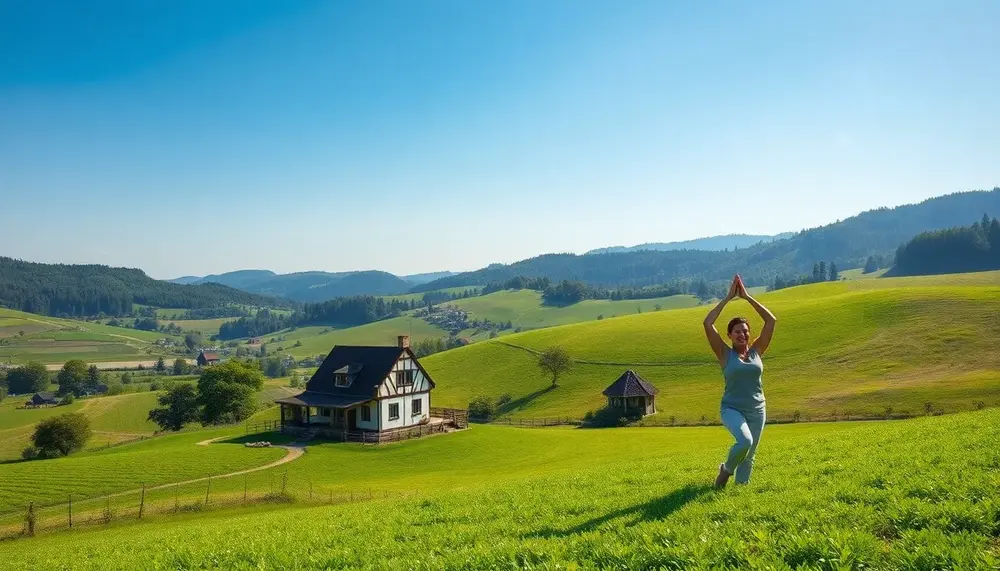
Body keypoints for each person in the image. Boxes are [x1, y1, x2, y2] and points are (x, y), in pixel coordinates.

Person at [702, 274, 777, 488]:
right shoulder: (724, 354)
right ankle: (724, 472)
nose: (742, 334)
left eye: (745, 331)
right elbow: (708, 323)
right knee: (745, 441)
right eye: (737, 332)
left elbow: (771, 321)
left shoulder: (757, 351)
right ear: (729, 335)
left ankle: (739, 492)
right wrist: (728, 298)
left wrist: (747, 297)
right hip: (732, 409)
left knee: (749, 455)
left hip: (758, 408)